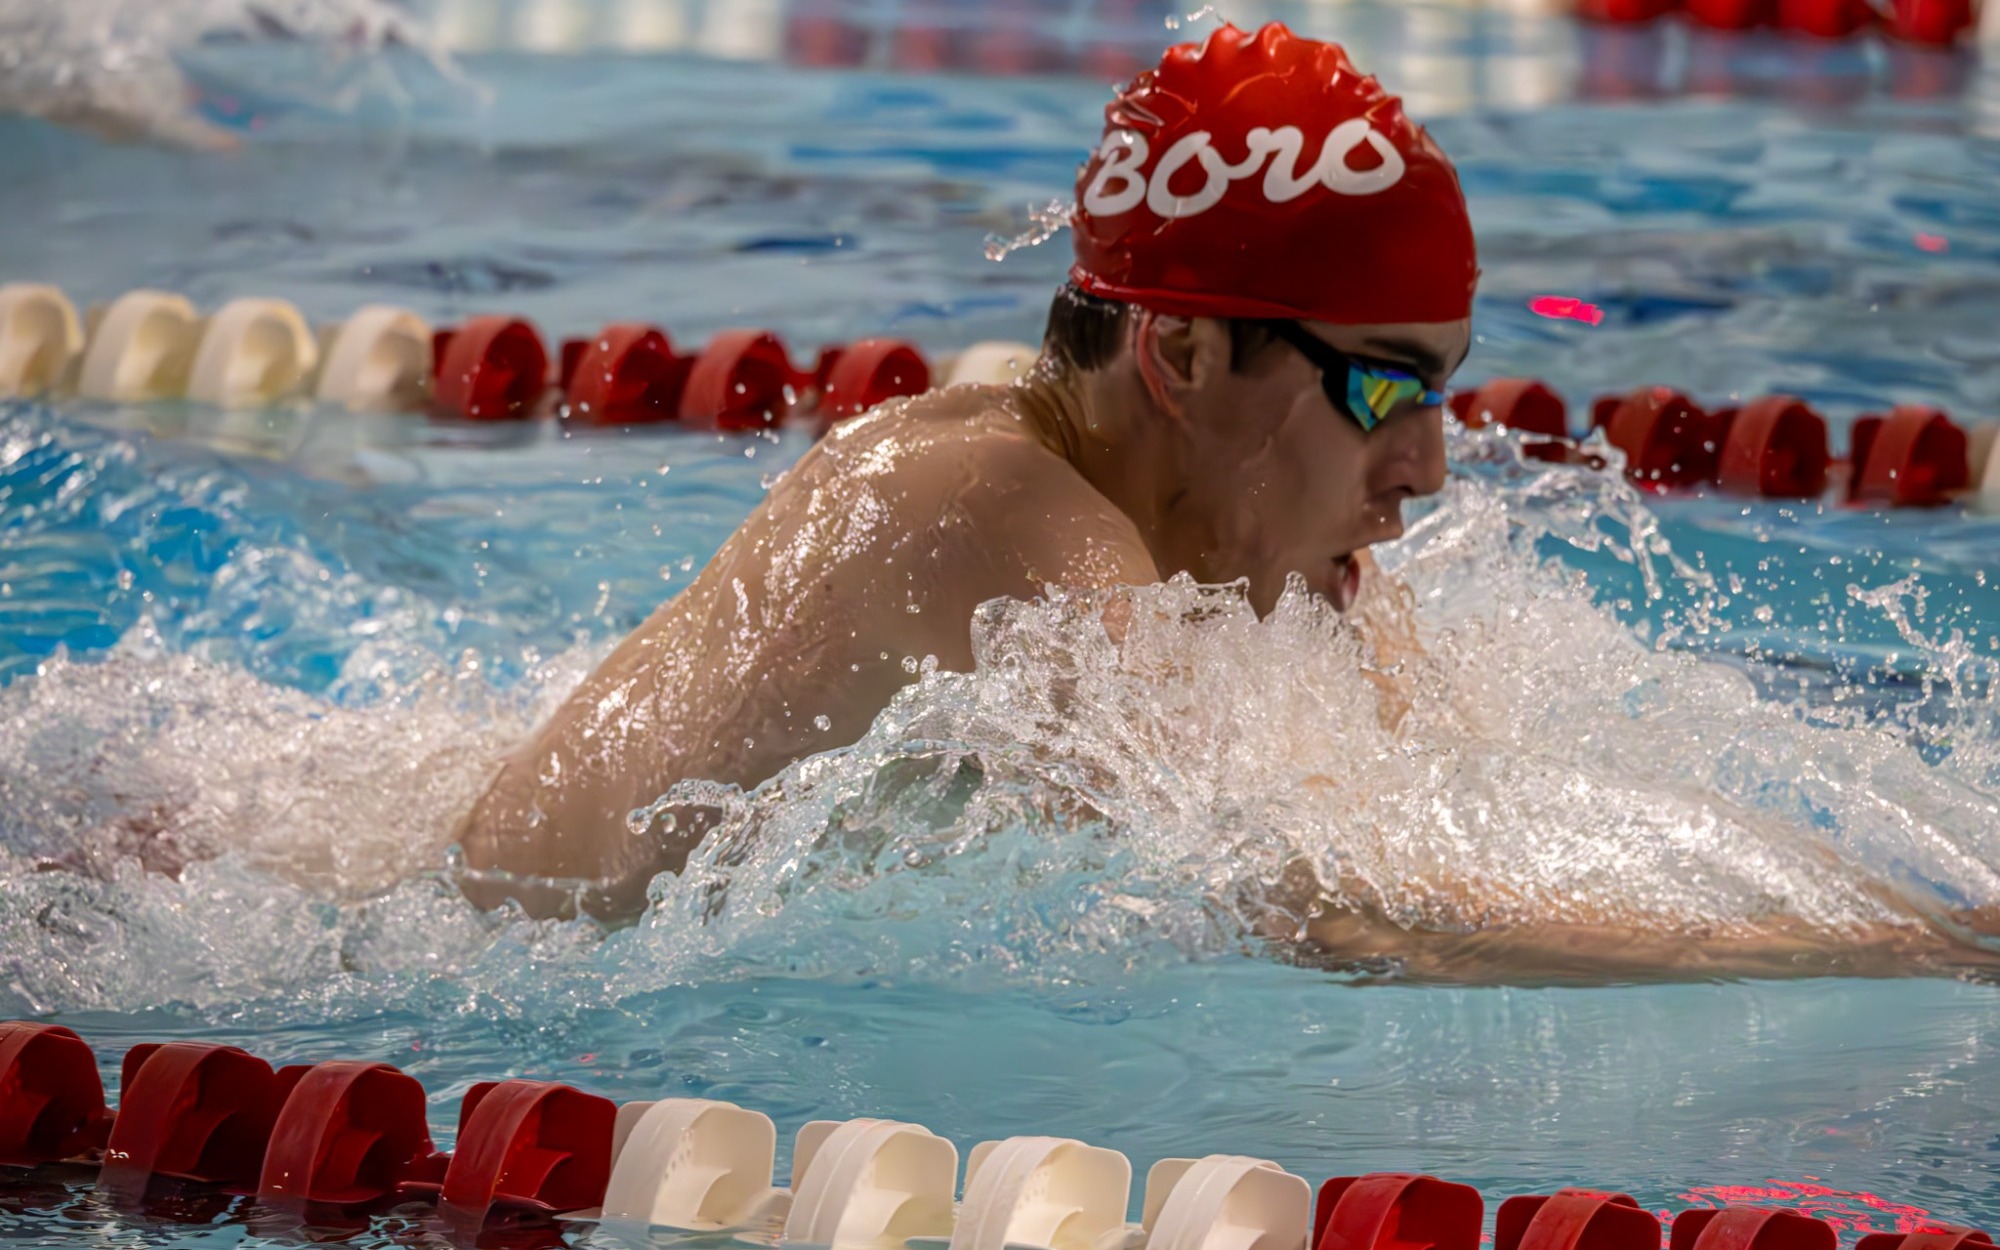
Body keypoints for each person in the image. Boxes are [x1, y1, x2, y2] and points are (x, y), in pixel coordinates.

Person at [452, 22, 1477, 920]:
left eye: (1440, 394)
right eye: (1383, 389)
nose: (1424, 467)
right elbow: (1318, 902)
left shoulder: (1245, 532)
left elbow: (1444, 789)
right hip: (480, 965)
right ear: (1178, 355)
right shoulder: (988, 511)